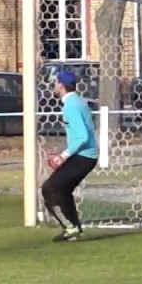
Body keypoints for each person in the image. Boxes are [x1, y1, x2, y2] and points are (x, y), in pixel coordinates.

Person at [41, 70, 99, 242]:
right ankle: (74, 228)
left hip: (84, 156)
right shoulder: (77, 101)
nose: (54, 86)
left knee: (49, 188)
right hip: (85, 156)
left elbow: (82, 136)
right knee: (63, 191)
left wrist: (63, 156)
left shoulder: (71, 105)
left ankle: (70, 227)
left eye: (55, 83)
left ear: (61, 85)